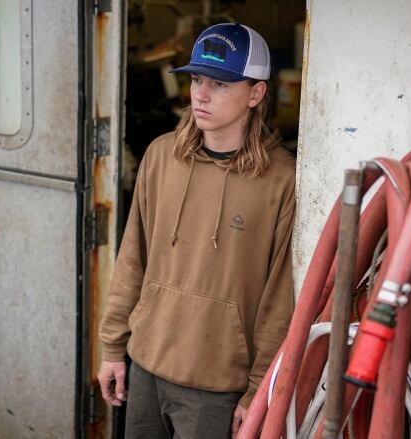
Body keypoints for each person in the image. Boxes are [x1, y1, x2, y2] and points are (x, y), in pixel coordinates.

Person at [98, 22, 295, 439]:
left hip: (218, 386)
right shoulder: (159, 156)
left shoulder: (281, 180)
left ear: (256, 93)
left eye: (220, 84)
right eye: (197, 79)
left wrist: (259, 389)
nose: (201, 94)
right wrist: (113, 347)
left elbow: (280, 299)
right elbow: (132, 257)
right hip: (146, 364)